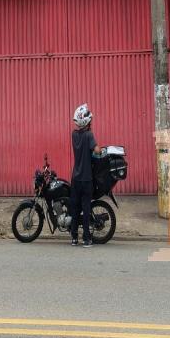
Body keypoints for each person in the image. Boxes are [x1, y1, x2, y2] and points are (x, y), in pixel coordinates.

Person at [70, 104, 101, 247]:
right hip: (87, 178)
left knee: (75, 208)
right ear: (87, 122)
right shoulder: (89, 135)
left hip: (75, 178)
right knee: (86, 208)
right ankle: (86, 239)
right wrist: (99, 149)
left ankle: (74, 238)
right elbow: (97, 150)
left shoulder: (74, 135)